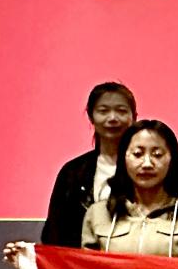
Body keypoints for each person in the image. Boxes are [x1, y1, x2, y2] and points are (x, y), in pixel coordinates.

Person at [81, 119, 178, 257]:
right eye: (137, 154)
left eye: (157, 155)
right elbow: (86, 268)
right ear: (123, 158)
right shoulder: (98, 213)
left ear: (172, 159)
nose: (147, 164)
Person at [40, 82, 136, 247]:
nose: (112, 118)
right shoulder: (73, 172)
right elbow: (54, 233)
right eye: (103, 111)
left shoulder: (149, 169)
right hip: (83, 259)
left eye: (121, 111)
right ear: (91, 117)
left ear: (133, 117)